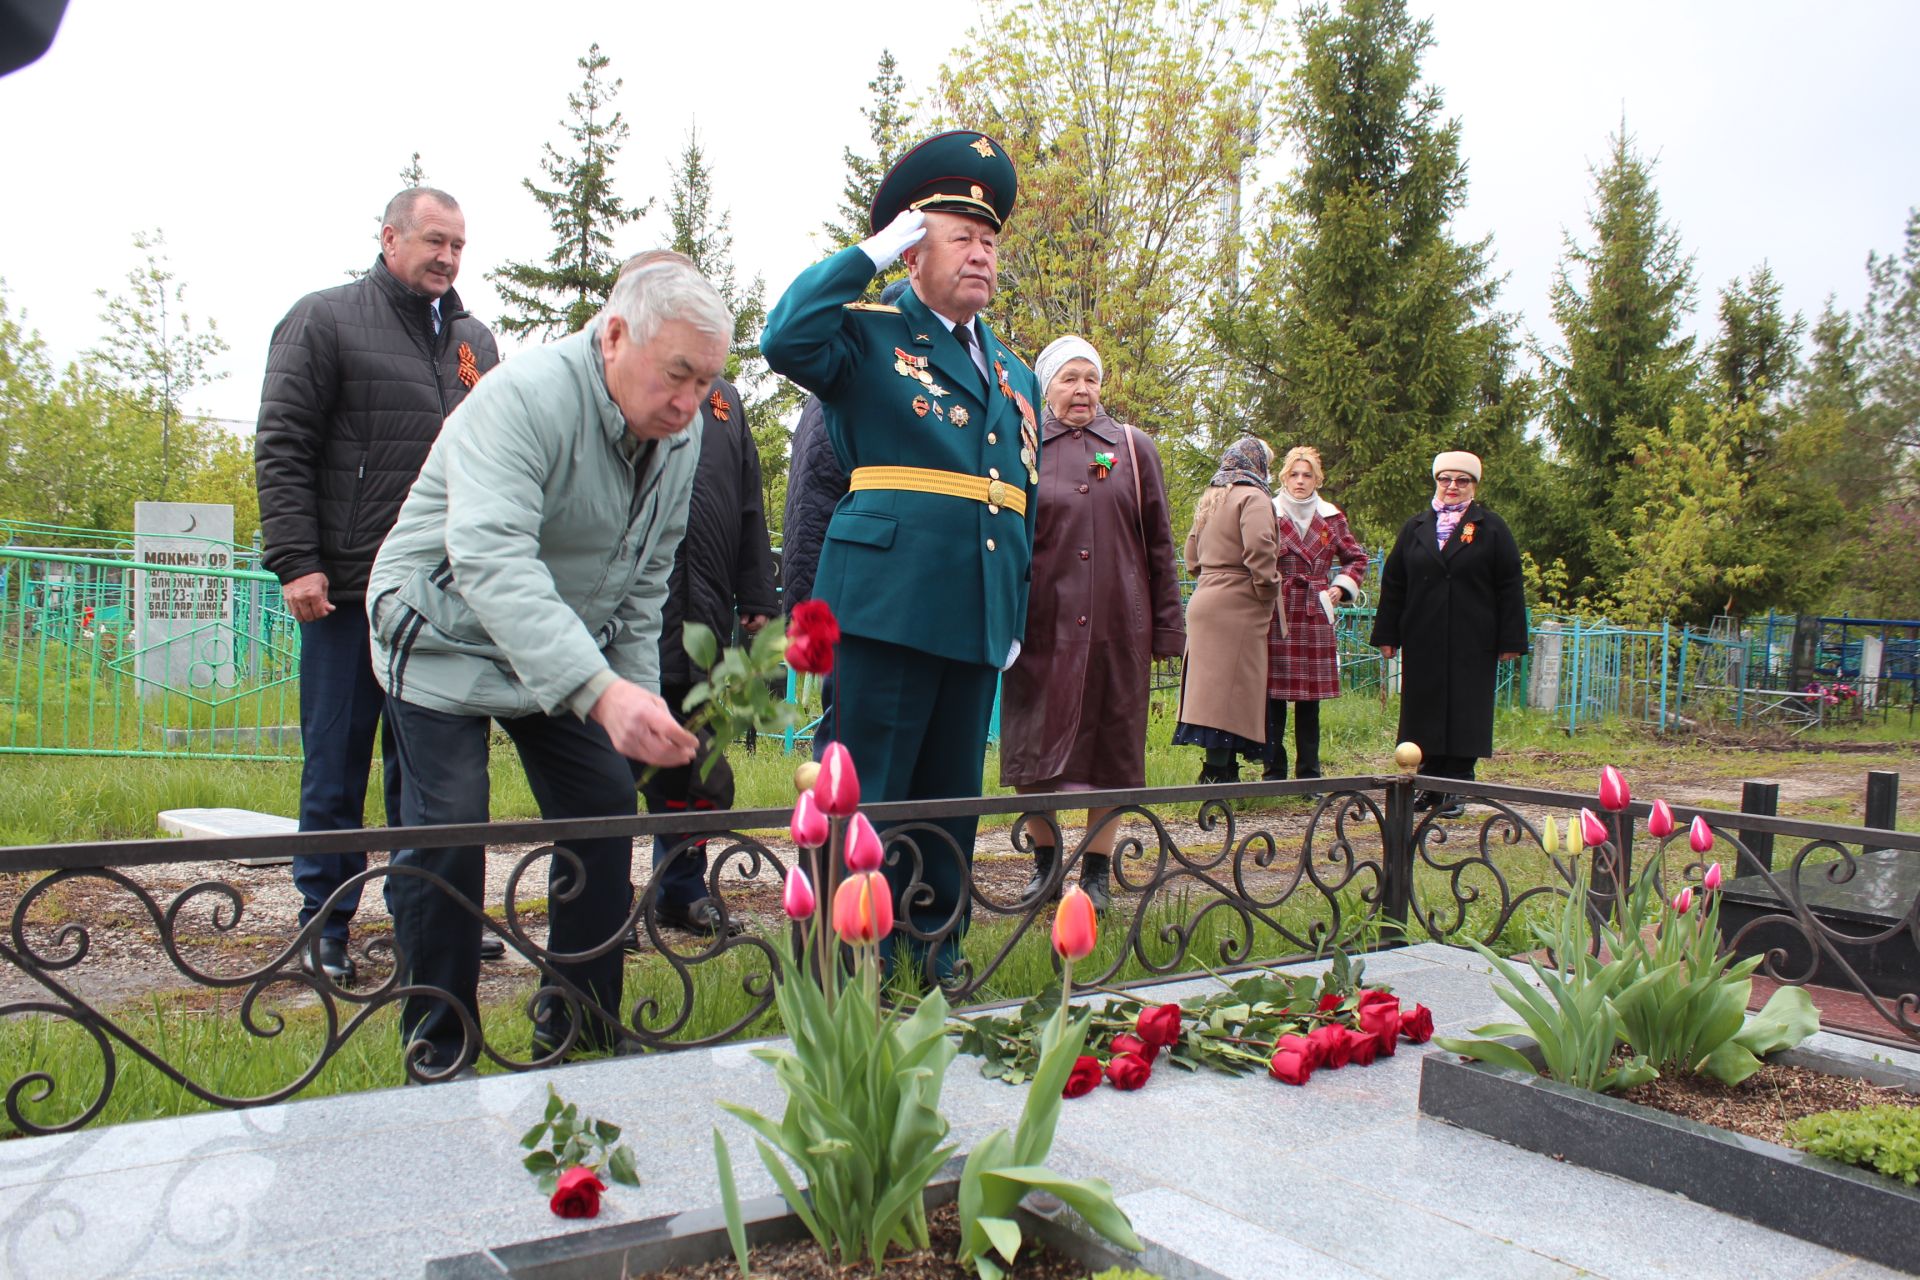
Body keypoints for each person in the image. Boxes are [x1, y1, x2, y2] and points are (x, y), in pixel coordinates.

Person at [366, 255, 727, 1078]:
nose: (688, 402)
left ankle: (582, 1036)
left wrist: (631, 699)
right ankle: (439, 1050)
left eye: (705, 383)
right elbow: (491, 560)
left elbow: (644, 579)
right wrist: (601, 693)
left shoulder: (680, 432)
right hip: (443, 627)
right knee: (452, 827)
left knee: (603, 805)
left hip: (556, 645)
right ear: (614, 336)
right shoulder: (522, 398)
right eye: (677, 375)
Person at [762, 129, 1038, 979]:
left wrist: (1015, 607)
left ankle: (934, 953)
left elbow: (1021, 499)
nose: (983, 255)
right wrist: (866, 255)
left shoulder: (1015, 372)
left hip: (975, 612)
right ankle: (845, 962)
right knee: (869, 793)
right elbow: (783, 337)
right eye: (962, 238)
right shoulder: (869, 335)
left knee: (950, 804)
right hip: (885, 604)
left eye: (991, 242)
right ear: (915, 251)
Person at [255, 187, 500, 986]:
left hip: (438, 599)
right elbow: (284, 442)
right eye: (434, 240)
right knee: (335, 765)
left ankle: (423, 918)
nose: (448, 258)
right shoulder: (325, 321)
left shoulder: (473, 342)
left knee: (424, 777)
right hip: (348, 592)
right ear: (390, 238)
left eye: (459, 245)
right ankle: (323, 926)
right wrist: (296, 559)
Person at [1002, 336, 1183, 912]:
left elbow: (1160, 544)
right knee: (1033, 752)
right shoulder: (1022, 447)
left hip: (1115, 630)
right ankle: (1047, 866)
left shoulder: (1133, 448)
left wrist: (1167, 627)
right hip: (1039, 629)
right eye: (1068, 379)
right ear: (1045, 386)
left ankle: (1099, 875)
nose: (1081, 391)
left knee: (1111, 751)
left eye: (1091, 379)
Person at [639, 306, 777, 935]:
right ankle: (598, 895)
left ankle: (682, 887)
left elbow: (748, 500)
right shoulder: (631, 377)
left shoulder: (723, 398)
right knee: (612, 760)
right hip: (635, 611)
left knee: (692, 753)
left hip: (706, 608)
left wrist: (755, 595)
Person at [780, 279, 911, 761]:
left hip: (859, 594)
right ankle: (831, 838)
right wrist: (809, 615)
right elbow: (813, 507)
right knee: (851, 742)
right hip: (860, 597)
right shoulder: (856, 389)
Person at [1370, 450, 1528, 819]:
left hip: (1473, 637)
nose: (1452, 487)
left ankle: (1456, 786)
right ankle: (1426, 784)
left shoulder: (1490, 527)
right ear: (1436, 482)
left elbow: (1509, 584)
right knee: (1423, 708)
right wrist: (1388, 634)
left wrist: (1511, 640)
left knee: (1464, 709)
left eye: (1461, 481)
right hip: (1423, 634)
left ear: (1473, 485)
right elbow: (1394, 583)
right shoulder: (1416, 527)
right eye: (1445, 479)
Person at [1172, 438, 1281, 783]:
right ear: (1258, 464)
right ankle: (1220, 774)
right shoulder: (1254, 497)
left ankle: (1218, 768)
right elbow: (1260, 548)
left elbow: (1191, 554)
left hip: (1206, 597)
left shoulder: (1212, 497)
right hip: (1239, 601)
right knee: (1231, 692)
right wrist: (1268, 588)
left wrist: (1211, 576)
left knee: (1213, 691)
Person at [1262, 446, 1368, 788]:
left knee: (1310, 703)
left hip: (1314, 613)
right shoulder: (1268, 511)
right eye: (1294, 474)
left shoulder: (1332, 517)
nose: (1300, 481)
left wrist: (1340, 587)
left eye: (1307, 475)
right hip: (1277, 611)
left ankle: (1310, 776)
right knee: (1273, 696)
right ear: (1283, 477)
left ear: (1317, 479)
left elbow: (1356, 558)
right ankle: (1273, 774)